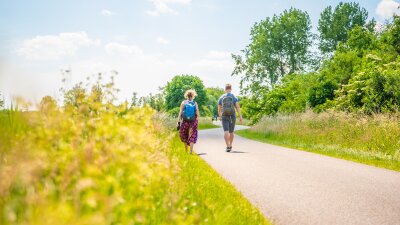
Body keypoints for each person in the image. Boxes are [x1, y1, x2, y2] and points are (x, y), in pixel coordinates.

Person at [218, 83, 242, 152]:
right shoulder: (234, 97)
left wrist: (220, 116)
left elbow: (219, 108)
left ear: (225, 89)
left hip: (224, 115)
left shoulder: (221, 97)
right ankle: (230, 145)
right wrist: (240, 116)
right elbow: (237, 107)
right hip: (232, 116)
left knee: (226, 131)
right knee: (231, 132)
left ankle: (227, 146)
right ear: (231, 89)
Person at [177, 89, 200, 154]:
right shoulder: (195, 103)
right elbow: (197, 113)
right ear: (193, 96)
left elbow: (180, 113)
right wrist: (197, 121)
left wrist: (178, 122)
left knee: (184, 135)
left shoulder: (183, 102)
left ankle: (186, 151)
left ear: (186, 95)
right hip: (193, 121)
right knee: (192, 134)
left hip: (185, 121)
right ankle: (191, 151)